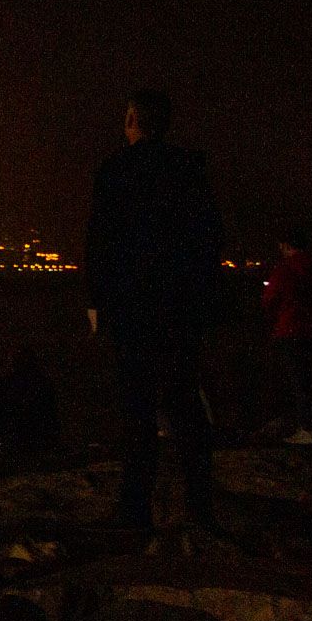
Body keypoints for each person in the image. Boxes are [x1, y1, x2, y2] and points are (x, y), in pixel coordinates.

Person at [84, 88, 224, 529]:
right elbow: (209, 239)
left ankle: (135, 505)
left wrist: (95, 301)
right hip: (180, 305)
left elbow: (100, 241)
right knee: (184, 401)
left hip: (132, 307)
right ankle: (200, 502)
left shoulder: (115, 170)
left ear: (132, 121)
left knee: (137, 407)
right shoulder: (189, 168)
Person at [261, 225, 312, 445]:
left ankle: (308, 427)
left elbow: (269, 301)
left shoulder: (285, 270)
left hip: (290, 330)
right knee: (310, 380)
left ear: (285, 245)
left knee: (297, 381)